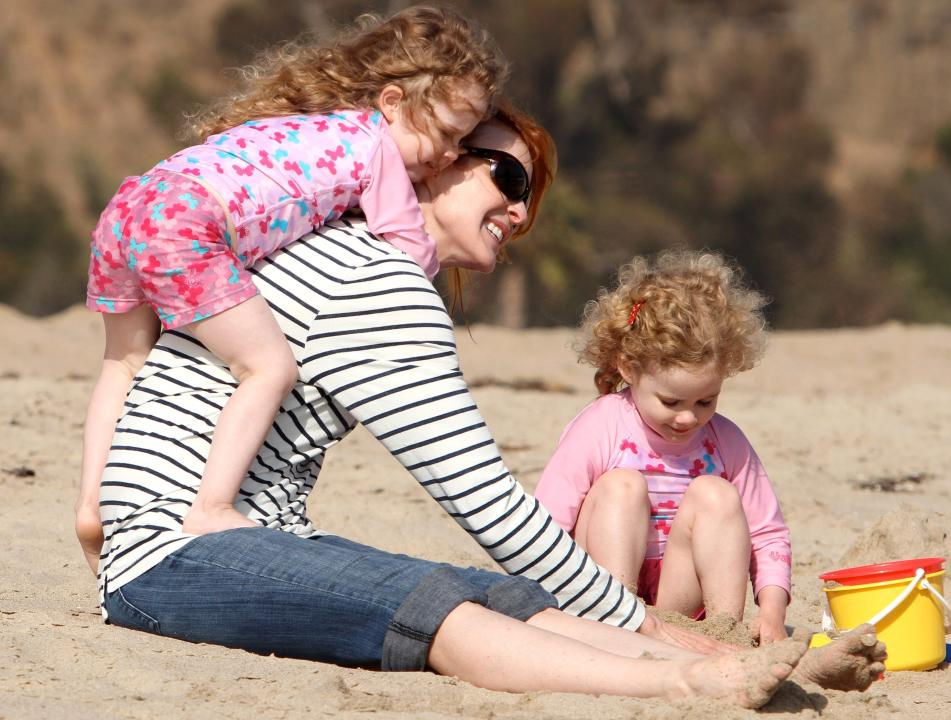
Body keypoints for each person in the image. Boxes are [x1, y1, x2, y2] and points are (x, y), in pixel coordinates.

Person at [80, 106, 885, 707]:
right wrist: (649, 628)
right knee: (441, 610)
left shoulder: (346, 252)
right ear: (431, 161)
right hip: (175, 559)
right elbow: (490, 505)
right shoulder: (381, 284)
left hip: (225, 542)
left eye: (530, 194)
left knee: (488, 592)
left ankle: (739, 662)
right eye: (505, 175)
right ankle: (683, 681)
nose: (521, 210)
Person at [76, 5, 505, 557]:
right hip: (187, 219)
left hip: (133, 204)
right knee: (269, 367)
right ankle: (211, 508)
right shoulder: (378, 152)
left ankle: (92, 505)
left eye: (463, 142)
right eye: (445, 134)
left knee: (123, 364)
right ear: (392, 103)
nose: (447, 155)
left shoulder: (305, 124)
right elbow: (406, 247)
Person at [534, 250, 792, 644]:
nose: (688, 418)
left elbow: (767, 533)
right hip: (604, 589)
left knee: (717, 494)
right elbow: (547, 524)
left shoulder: (726, 441)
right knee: (621, 486)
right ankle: (618, 625)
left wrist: (772, 614)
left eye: (706, 401)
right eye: (670, 402)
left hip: (680, 601)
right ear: (628, 368)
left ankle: (724, 634)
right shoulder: (601, 425)